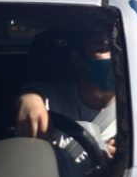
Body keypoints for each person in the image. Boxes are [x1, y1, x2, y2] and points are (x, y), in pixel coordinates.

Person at [15, 30, 117, 161]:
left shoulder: (135, 111)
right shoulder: (50, 100)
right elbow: (31, 94)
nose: (114, 57)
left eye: (118, 49)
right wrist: (29, 100)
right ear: (77, 58)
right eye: (103, 48)